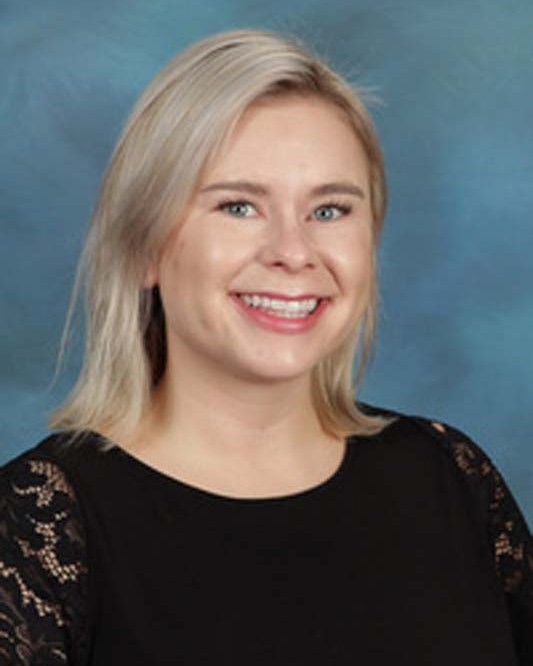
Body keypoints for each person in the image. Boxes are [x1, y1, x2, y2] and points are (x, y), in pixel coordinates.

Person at [0, 28, 531, 665]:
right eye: (239, 207)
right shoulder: (41, 524)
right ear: (144, 247)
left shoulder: (451, 477)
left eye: (329, 210)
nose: (294, 252)